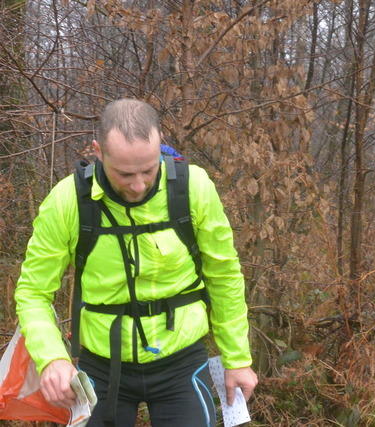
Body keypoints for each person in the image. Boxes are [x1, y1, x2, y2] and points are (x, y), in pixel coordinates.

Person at [14, 99, 258, 426]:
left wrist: (237, 358)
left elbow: (223, 275)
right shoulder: (68, 200)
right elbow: (33, 292)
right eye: (125, 174)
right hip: (100, 364)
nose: (139, 185)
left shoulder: (193, 188)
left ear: (160, 146)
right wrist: (52, 358)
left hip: (182, 361)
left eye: (148, 170)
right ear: (99, 152)